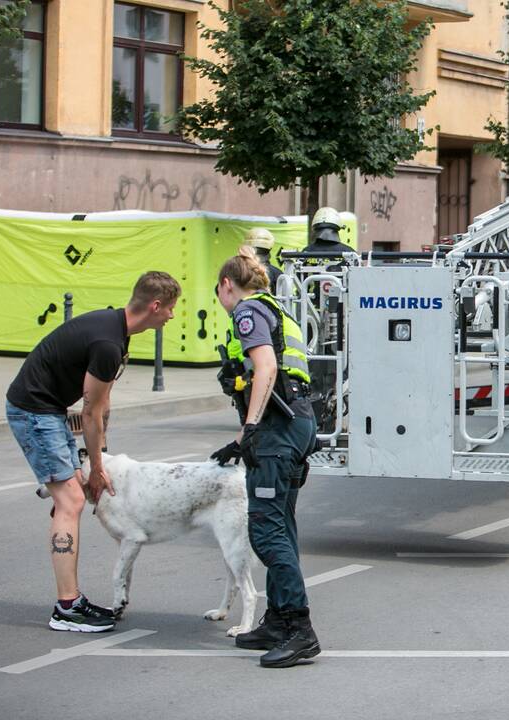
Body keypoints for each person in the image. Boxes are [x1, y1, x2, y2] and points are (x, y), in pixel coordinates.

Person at [6, 271, 181, 632]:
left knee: (71, 498)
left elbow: (102, 402)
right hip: (33, 410)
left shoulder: (117, 330)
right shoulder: (108, 343)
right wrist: (97, 467)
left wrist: (100, 453)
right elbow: (89, 411)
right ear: (155, 305)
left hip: (47, 409)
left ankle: (71, 600)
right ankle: (67, 608)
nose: (172, 316)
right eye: (172, 309)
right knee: (71, 502)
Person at [210, 245, 320, 669]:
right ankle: (277, 620)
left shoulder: (247, 311)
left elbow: (267, 369)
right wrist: (244, 436)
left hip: (278, 430)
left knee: (266, 531)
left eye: (217, 293)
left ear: (226, 285)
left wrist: (251, 428)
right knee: (281, 525)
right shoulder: (276, 306)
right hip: (295, 424)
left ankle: (298, 628)